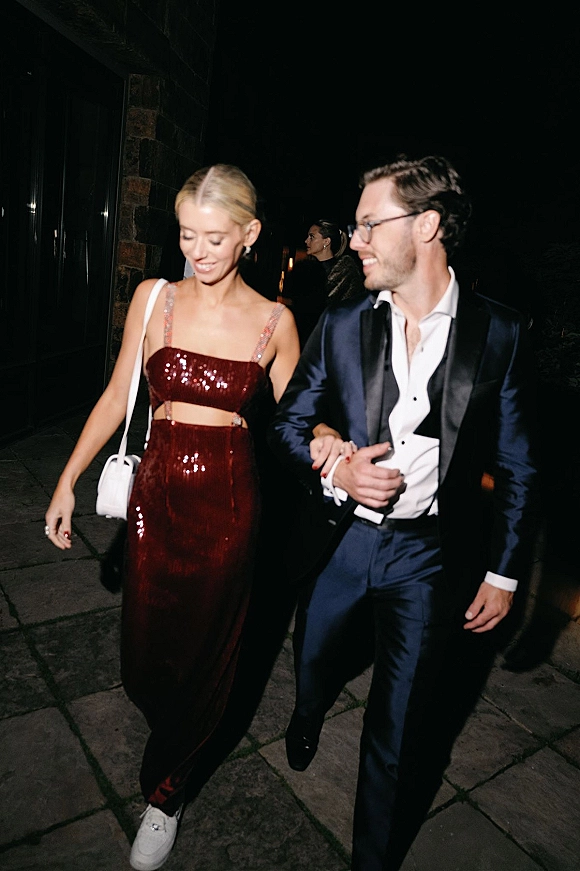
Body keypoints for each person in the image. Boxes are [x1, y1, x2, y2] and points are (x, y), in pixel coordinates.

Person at [269, 154, 540, 871]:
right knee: (314, 661)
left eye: (368, 225)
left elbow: (519, 464)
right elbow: (285, 425)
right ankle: (306, 711)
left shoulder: (500, 332)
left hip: (429, 557)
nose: (354, 240)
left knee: (398, 731)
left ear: (426, 225)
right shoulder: (340, 322)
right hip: (342, 543)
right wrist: (336, 464)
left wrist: (504, 574)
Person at [44, 163, 301, 871]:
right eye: (187, 235)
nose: (199, 251)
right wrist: (67, 480)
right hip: (155, 503)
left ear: (249, 234)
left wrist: (335, 447)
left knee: (204, 655)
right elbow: (115, 395)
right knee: (146, 655)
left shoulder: (276, 322)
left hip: (229, 507)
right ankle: (173, 737)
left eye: (215, 237)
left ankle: (166, 793)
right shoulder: (154, 298)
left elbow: (300, 422)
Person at [304, 218, 365, 303]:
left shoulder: (345, 274)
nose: (306, 241)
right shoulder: (306, 270)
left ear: (326, 241)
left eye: (312, 237)